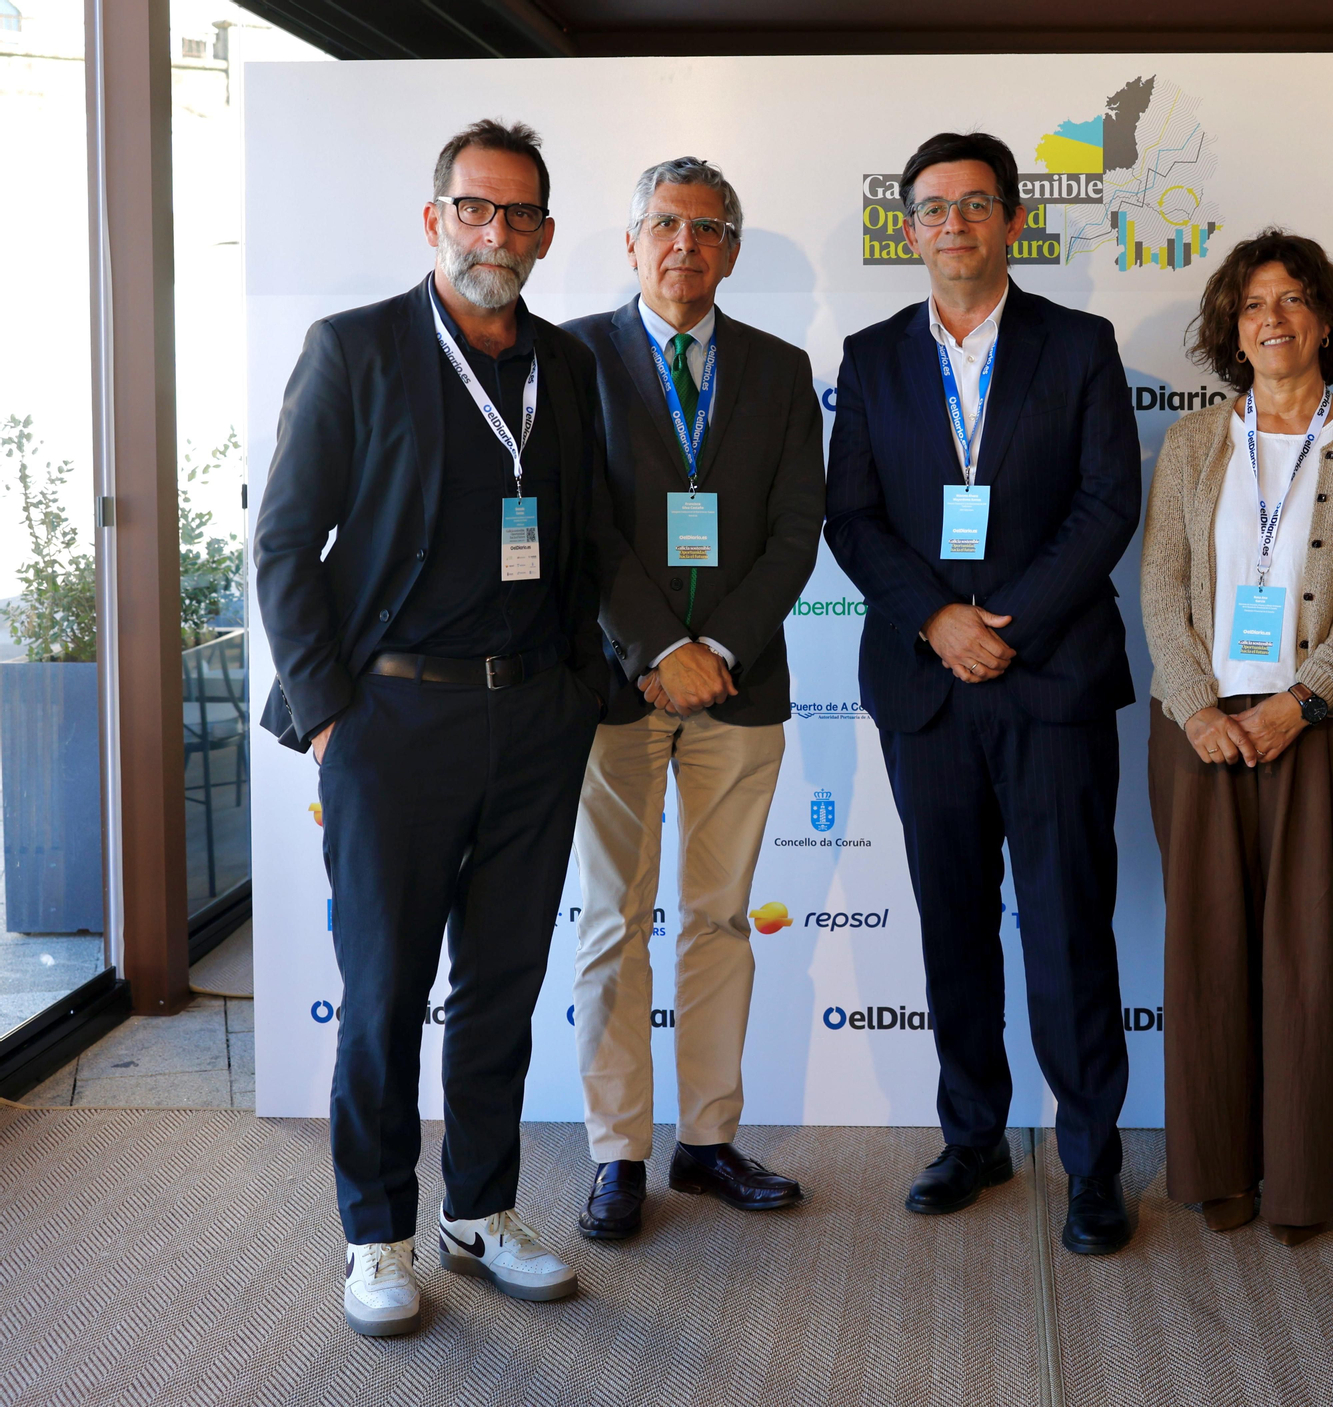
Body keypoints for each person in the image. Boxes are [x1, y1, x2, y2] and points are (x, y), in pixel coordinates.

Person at [256, 119, 612, 1337]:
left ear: (546, 236)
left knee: (505, 985)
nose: (494, 234)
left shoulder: (564, 368)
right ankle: (375, 1234)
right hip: (389, 722)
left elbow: (585, 541)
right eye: (474, 208)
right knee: (384, 995)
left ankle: (483, 1210)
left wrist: (573, 688)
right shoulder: (354, 350)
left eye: (517, 216)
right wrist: (327, 720)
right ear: (434, 219)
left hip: (533, 722)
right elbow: (281, 544)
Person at [824, 131, 1142, 1256]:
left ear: (1012, 221)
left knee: (1067, 929)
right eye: (930, 208)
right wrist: (936, 621)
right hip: (925, 688)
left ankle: (1093, 1160)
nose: (951, 224)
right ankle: (974, 1137)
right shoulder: (868, 359)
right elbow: (851, 518)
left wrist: (1004, 623)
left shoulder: (1080, 344)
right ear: (905, 230)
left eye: (973, 204)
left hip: (1049, 680)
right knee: (952, 926)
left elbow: (1107, 505)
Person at [562, 158, 824, 1238]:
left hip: (740, 682)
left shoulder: (777, 366)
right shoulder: (570, 357)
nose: (686, 245)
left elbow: (794, 529)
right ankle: (617, 1151)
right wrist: (658, 646)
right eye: (665, 225)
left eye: (709, 229)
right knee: (611, 924)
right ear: (630, 243)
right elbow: (577, 520)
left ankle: (706, 1141)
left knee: (716, 920)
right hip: (614, 683)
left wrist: (714, 644)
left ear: (730, 250)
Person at [1140, 229, 1333, 1246]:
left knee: (1306, 966)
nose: (1272, 319)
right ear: (1229, 328)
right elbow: (1160, 582)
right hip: (1196, 736)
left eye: (1292, 301)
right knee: (1203, 960)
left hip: (1320, 737)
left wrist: (1303, 701)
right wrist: (1197, 704)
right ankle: (1216, 1174)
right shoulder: (1194, 443)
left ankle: (1298, 1186)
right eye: (1252, 305)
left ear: (1326, 321)